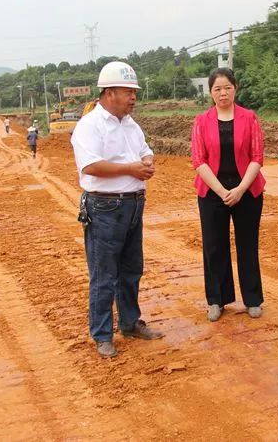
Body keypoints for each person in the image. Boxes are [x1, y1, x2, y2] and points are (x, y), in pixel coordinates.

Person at [70, 61, 164, 359]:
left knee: (130, 269)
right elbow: (91, 166)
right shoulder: (90, 125)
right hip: (105, 207)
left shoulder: (130, 125)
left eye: (134, 92)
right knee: (104, 274)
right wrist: (131, 169)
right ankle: (102, 334)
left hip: (133, 205)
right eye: (128, 92)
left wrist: (147, 161)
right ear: (109, 92)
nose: (134, 98)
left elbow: (144, 150)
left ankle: (129, 322)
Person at [190, 68, 266, 322]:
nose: (222, 93)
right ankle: (216, 300)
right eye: (217, 89)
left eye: (227, 88)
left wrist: (241, 188)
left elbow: (257, 156)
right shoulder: (201, 121)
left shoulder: (249, 117)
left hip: (247, 189)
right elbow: (198, 160)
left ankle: (253, 299)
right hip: (213, 192)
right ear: (210, 92)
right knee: (214, 246)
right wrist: (222, 191)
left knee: (248, 244)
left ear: (236, 88)